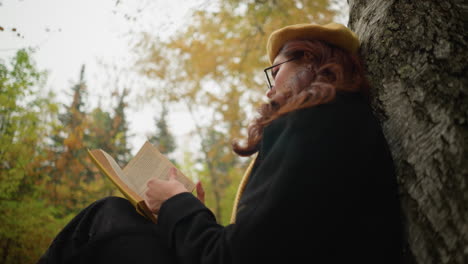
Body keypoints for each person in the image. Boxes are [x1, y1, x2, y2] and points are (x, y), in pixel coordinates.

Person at [38, 22, 404, 264]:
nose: (269, 87)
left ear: (310, 60)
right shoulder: (337, 125)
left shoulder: (318, 120)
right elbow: (263, 243)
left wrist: (178, 206)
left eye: (275, 71)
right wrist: (183, 212)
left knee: (107, 216)